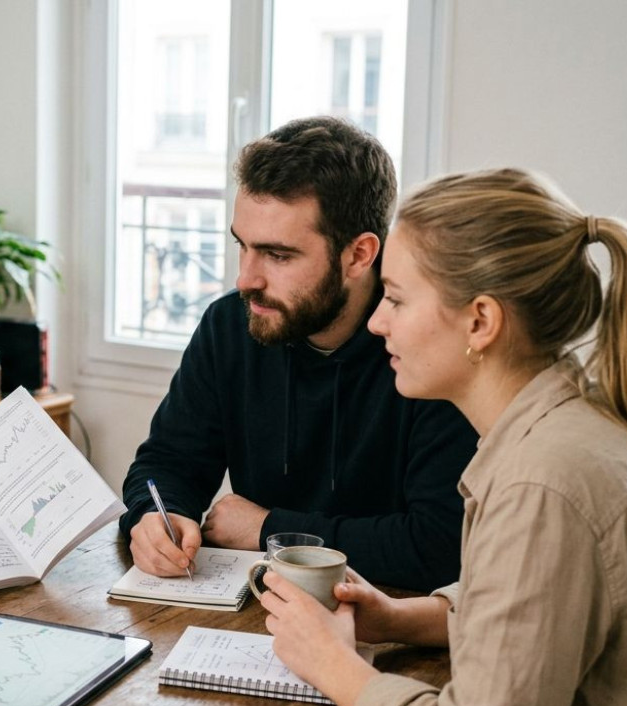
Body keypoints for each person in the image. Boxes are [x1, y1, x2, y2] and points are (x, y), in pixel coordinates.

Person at [259, 168, 627, 706]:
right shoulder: (574, 424)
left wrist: (334, 665)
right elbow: (547, 610)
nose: (378, 323)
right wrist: (403, 618)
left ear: (481, 322)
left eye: (398, 299)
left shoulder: (544, 481)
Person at [122, 116, 476, 591]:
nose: (246, 279)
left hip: (390, 625)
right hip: (255, 617)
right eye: (242, 246)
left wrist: (269, 530)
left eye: (278, 255)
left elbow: (437, 546)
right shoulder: (230, 325)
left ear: (359, 255)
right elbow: (167, 463)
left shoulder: (423, 349)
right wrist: (156, 516)